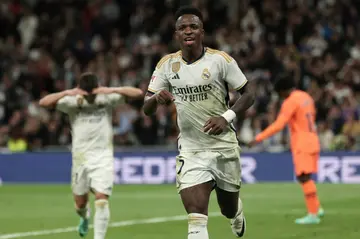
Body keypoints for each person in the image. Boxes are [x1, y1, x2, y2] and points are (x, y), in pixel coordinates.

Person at [143, 6, 254, 239]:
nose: (188, 31)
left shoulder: (220, 60)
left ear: (202, 31)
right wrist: (155, 99)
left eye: (193, 26)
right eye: (182, 28)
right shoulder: (166, 65)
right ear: (176, 34)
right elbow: (146, 108)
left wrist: (226, 117)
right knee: (196, 216)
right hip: (192, 149)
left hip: (223, 145)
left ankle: (236, 214)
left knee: (227, 208)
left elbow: (249, 93)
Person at [39, 73, 143, 238]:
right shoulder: (72, 101)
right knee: (80, 204)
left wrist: (110, 89)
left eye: (92, 93)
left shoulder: (106, 98)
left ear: (97, 89)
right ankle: (84, 216)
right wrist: (67, 92)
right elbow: (43, 102)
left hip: (103, 156)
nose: (90, 97)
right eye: (86, 94)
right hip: (80, 158)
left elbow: (138, 93)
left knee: (102, 199)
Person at [248, 74, 324, 224]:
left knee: (304, 177)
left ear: (283, 91)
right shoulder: (305, 96)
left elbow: (279, 125)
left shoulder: (290, 102)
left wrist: (258, 138)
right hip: (313, 140)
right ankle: (317, 208)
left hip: (302, 143)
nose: (281, 97)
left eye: (280, 94)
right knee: (306, 177)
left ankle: (313, 215)